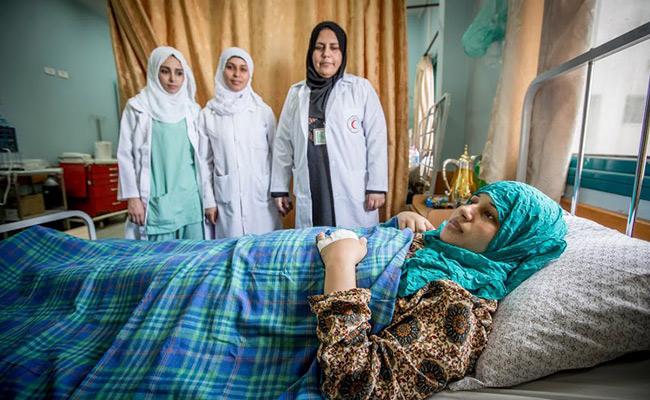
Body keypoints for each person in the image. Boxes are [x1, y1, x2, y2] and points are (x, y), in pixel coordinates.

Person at [310, 181, 568, 399]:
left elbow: (355, 385)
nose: (466, 210)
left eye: (489, 214)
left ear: (514, 245)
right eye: (474, 201)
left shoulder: (458, 313)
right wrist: (397, 223)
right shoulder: (437, 245)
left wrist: (339, 263)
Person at [271, 21, 388, 229]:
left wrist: (377, 186)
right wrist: (280, 188)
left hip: (351, 187)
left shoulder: (360, 89)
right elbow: (283, 144)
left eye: (334, 48)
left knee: (354, 249)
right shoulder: (296, 94)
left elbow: (376, 139)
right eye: (319, 47)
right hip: (312, 184)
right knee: (315, 248)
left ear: (342, 54)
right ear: (311, 52)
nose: (326, 54)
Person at [117, 46, 205, 240]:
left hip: (190, 199)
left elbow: (202, 158)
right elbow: (125, 155)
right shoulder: (138, 108)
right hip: (158, 200)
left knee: (194, 257)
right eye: (165, 71)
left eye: (179, 73)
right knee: (160, 261)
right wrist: (133, 197)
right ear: (154, 72)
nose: (173, 79)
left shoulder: (193, 110)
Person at [198, 47, 282, 239]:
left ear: (250, 74)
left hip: (261, 200)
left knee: (264, 252)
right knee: (231, 253)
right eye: (231, 67)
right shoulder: (207, 115)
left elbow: (278, 156)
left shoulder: (262, 111)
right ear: (221, 70)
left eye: (243, 69)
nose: (237, 74)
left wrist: (280, 192)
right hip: (226, 202)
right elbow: (204, 162)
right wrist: (209, 201)